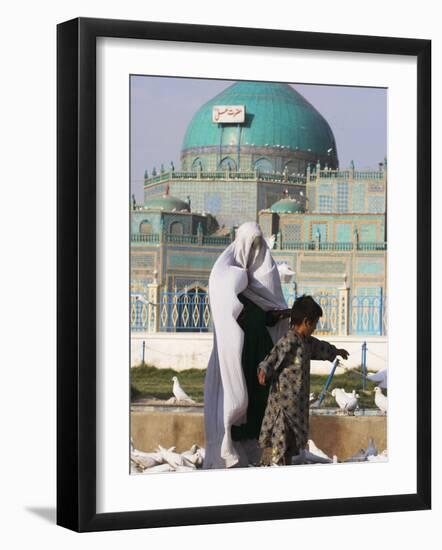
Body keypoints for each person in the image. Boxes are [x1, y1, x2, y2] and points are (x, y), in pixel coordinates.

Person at [203, 222, 291, 469]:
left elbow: (266, 315)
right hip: (239, 355)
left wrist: (282, 314)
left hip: (259, 353)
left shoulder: (259, 281)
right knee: (238, 400)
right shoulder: (228, 277)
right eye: (249, 245)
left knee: (258, 402)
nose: (253, 251)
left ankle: (251, 457)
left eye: (257, 245)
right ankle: (230, 453)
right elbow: (228, 312)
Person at [257, 295, 349, 465]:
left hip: (297, 404)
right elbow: (274, 355)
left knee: (292, 440)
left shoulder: (307, 342)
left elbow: (321, 347)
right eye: (314, 324)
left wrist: (336, 351)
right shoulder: (289, 340)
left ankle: (286, 464)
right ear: (306, 322)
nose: (315, 328)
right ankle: (276, 466)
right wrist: (264, 369)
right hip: (283, 403)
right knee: (281, 437)